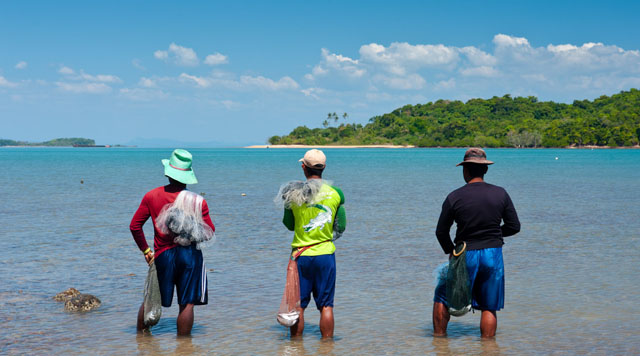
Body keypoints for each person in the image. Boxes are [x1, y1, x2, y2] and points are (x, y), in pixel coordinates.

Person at [432, 148, 520, 338]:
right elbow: (514, 226)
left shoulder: (454, 197)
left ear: (465, 170)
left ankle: (439, 342)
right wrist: (494, 234)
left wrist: (450, 250)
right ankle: (488, 348)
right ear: (485, 170)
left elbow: (441, 231)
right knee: (489, 306)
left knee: (442, 296)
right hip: (493, 254)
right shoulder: (501, 193)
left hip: (465, 253)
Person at [130, 149, 215, 336]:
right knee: (187, 303)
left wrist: (146, 251)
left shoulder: (151, 196)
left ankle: (140, 342)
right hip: (190, 256)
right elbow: (209, 233)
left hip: (163, 255)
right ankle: (183, 347)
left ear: (168, 172)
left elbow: (135, 226)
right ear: (188, 176)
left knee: (152, 299)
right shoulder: (198, 201)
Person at [278, 149, 346, 338]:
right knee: (326, 305)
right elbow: (342, 225)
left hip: (301, 256)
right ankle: (327, 348)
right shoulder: (336, 193)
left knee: (298, 306)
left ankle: (297, 347)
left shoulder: (293, 193)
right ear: (323, 168)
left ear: (303, 168)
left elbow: (289, 225)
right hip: (325, 254)